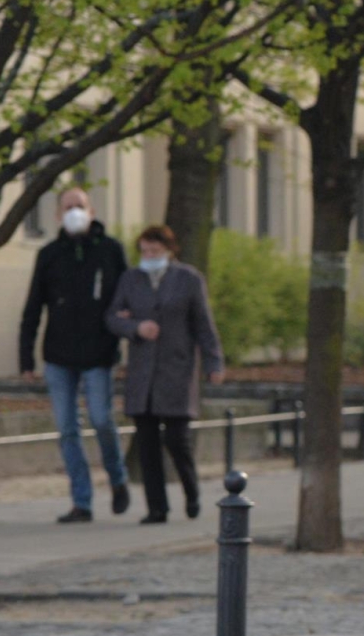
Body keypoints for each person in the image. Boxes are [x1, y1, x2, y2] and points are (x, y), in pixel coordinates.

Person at [17, 187, 130, 522]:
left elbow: (127, 297)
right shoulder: (50, 254)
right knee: (67, 429)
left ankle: (118, 478)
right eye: (68, 207)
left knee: (101, 419)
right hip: (59, 355)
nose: (74, 212)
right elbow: (33, 307)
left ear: (91, 211)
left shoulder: (110, 250)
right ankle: (82, 500)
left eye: (79, 206)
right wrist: (26, 358)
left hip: (99, 352)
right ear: (57, 215)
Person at [106, 226, 224, 523]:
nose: (149, 256)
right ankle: (156, 507)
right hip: (143, 373)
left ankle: (191, 490)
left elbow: (203, 325)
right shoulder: (131, 279)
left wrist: (214, 363)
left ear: (169, 250)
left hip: (177, 370)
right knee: (146, 443)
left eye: (154, 251)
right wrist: (135, 328)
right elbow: (111, 317)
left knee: (176, 439)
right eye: (144, 251)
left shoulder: (188, 279)